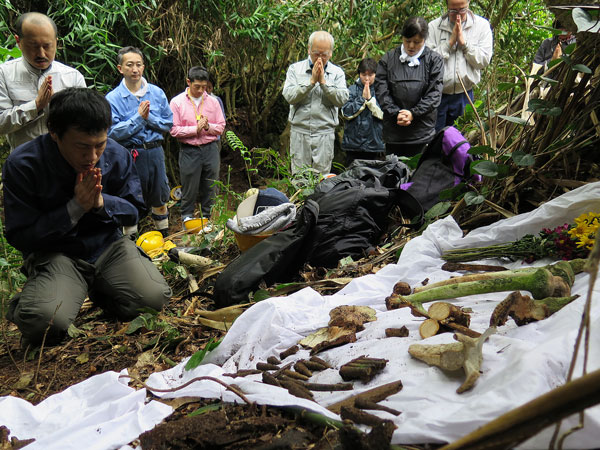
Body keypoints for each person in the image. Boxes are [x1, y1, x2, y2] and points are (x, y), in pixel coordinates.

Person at [2, 87, 172, 346]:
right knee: (45, 323)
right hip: (57, 253)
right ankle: (32, 302)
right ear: (55, 133)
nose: (92, 156)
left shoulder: (117, 155)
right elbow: (20, 235)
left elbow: (136, 209)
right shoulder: (24, 165)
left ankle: (102, 289)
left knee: (154, 300)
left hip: (107, 246)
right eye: (82, 147)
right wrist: (75, 208)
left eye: (99, 145)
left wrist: (103, 203)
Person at [105, 46, 173, 237]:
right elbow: (111, 132)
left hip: (155, 152)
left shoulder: (157, 93)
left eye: (138, 65)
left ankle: (165, 239)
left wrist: (148, 118)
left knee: (160, 196)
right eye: (129, 65)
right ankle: (131, 245)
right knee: (130, 196)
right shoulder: (113, 98)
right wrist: (138, 119)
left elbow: (168, 123)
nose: (134, 69)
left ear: (143, 67)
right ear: (120, 68)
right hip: (130, 154)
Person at [0, 12, 86, 150]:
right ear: (18, 42)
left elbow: (86, 121)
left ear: (56, 42)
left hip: (65, 160)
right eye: (33, 46)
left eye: (47, 46)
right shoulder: (4, 74)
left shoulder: (72, 77)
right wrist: (36, 106)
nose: (41, 54)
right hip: (24, 163)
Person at [375, 17, 444, 157]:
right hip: (394, 132)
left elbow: (435, 93)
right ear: (402, 38)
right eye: (407, 41)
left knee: (418, 175)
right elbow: (381, 90)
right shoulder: (388, 59)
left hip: (422, 132)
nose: (411, 46)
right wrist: (396, 113)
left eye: (417, 42)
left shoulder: (434, 60)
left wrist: (413, 113)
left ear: (424, 40)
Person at [282, 30, 349, 175]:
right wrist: (311, 82)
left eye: (324, 55)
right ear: (308, 50)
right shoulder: (295, 69)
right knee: (299, 176)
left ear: (331, 53)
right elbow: (289, 96)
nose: (319, 58)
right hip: (300, 131)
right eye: (316, 54)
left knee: (322, 177)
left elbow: (342, 99)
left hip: (324, 132)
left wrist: (324, 83)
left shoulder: (337, 73)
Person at [169, 66, 225, 225]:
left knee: (211, 184)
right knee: (189, 185)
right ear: (188, 82)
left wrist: (208, 127)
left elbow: (221, 126)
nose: (201, 90)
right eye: (197, 87)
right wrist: (196, 129)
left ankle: (209, 217)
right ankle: (187, 217)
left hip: (210, 148)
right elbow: (173, 130)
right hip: (189, 150)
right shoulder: (177, 102)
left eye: (204, 87)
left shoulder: (213, 102)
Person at [426, 0, 493, 131]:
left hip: (464, 95)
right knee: (434, 141)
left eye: (462, 10)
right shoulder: (433, 27)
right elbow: (427, 63)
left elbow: (484, 60)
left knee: (460, 141)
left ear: (469, 5)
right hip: (437, 95)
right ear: (447, 7)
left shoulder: (481, 26)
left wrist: (464, 44)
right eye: (453, 11)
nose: (458, 16)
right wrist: (449, 43)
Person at [341, 58, 385, 166]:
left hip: (375, 146)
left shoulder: (382, 90)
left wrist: (369, 100)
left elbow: (384, 114)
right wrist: (361, 99)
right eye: (363, 74)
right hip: (353, 146)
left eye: (370, 75)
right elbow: (345, 113)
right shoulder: (351, 90)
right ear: (359, 74)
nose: (367, 78)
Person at [206, 72, 225, 152]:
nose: (206, 90)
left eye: (209, 87)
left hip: (214, 139)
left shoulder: (216, 100)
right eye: (204, 87)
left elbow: (222, 120)